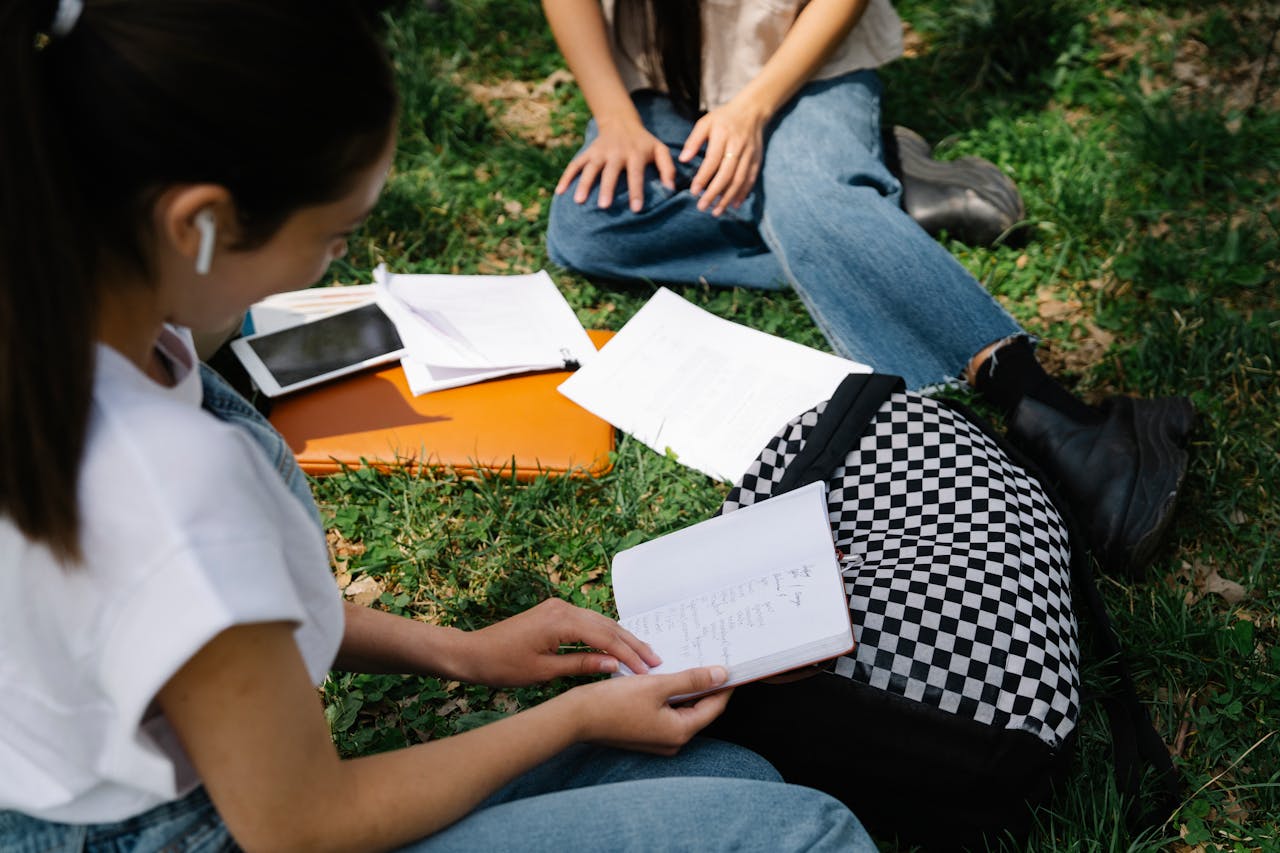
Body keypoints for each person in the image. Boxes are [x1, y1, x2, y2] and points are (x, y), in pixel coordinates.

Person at [0, 2, 875, 851]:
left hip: (138, 799)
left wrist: (464, 654)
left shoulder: (86, 343)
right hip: (223, 825)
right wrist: (571, 717)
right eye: (336, 237)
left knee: (731, 777)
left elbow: (209, 617)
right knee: (809, 832)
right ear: (199, 224)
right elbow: (304, 828)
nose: (328, 264)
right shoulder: (172, 473)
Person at [541, 0, 1194, 576]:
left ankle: (1056, 412)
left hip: (805, 69)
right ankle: (858, 201)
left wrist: (752, 112)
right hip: (661, 81)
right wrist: (616, 117)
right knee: (588, 231)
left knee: (808, 206)